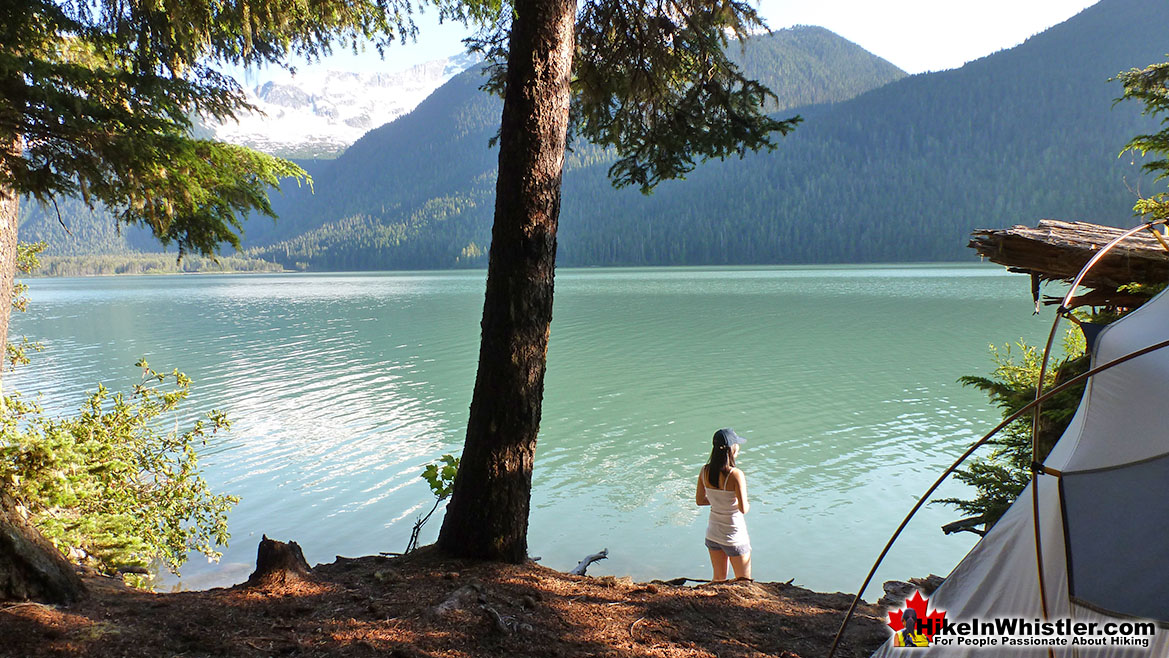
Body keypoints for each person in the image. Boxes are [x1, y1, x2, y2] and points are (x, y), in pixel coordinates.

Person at [696, 428, 751, 581]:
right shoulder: (736, 474)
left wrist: (717, 501)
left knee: (718, 579)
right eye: (737, 445)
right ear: (731, 449)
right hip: (734, 535)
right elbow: (743, 509)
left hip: (713, 534)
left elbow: (700, 500)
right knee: (744, 581)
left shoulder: (704, 471)